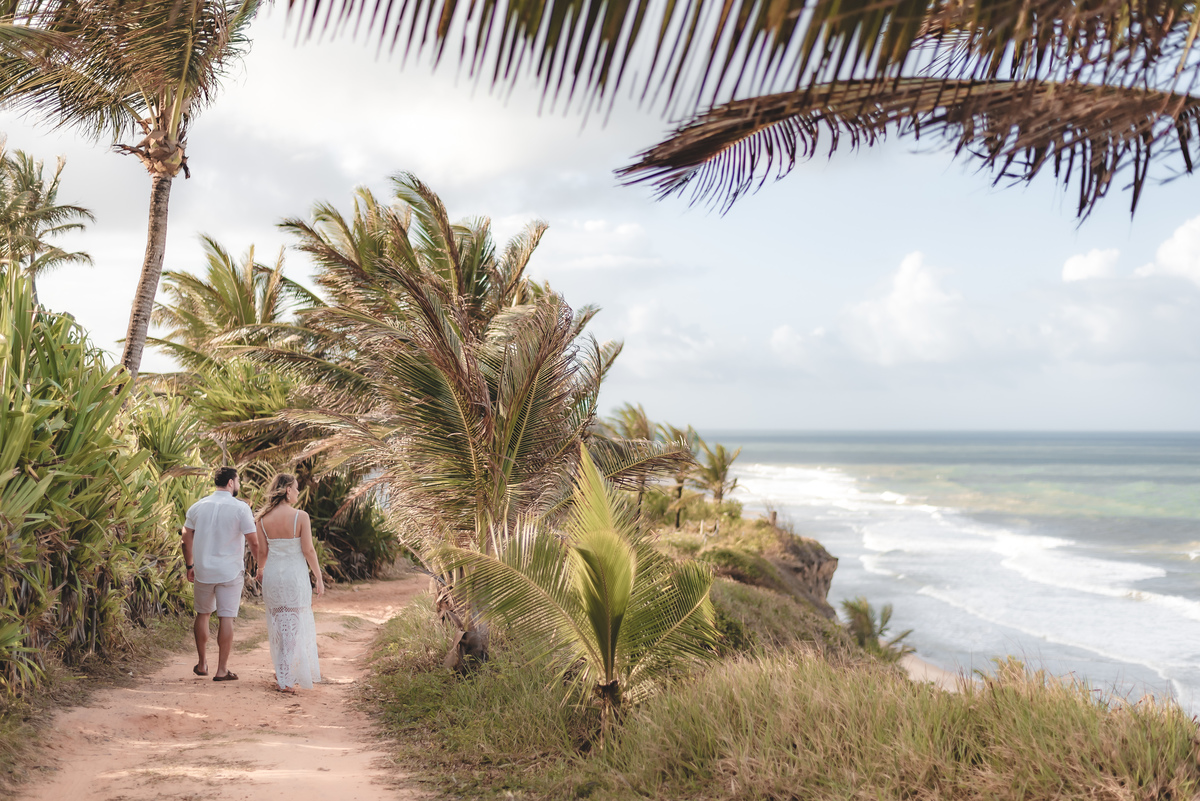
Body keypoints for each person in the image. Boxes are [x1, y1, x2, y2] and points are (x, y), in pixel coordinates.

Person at [182, 466, 260, 682]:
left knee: (202, 614)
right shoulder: (241, 508)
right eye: (238, 481)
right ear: (230, 483)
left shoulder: (197, 507)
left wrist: (189, 565)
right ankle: (222, 670)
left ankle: (202, 663)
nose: (238, 485)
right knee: (226, 617)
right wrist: (260, 565)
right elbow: (253, 542)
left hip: (203, 571)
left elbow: (185, 539)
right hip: (230, 572)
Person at [255, 473, 324, 693]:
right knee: (292, 628)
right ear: (287, 490)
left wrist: (260, 570)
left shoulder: (262, 519)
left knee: (279, 626)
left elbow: (262, 552)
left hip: (273, 576)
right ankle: (284, 679)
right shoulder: (300, 516)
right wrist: (318, 577)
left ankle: (282, 670)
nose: (297, 492)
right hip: (294, 577)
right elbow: (308, 550)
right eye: (296, 488)